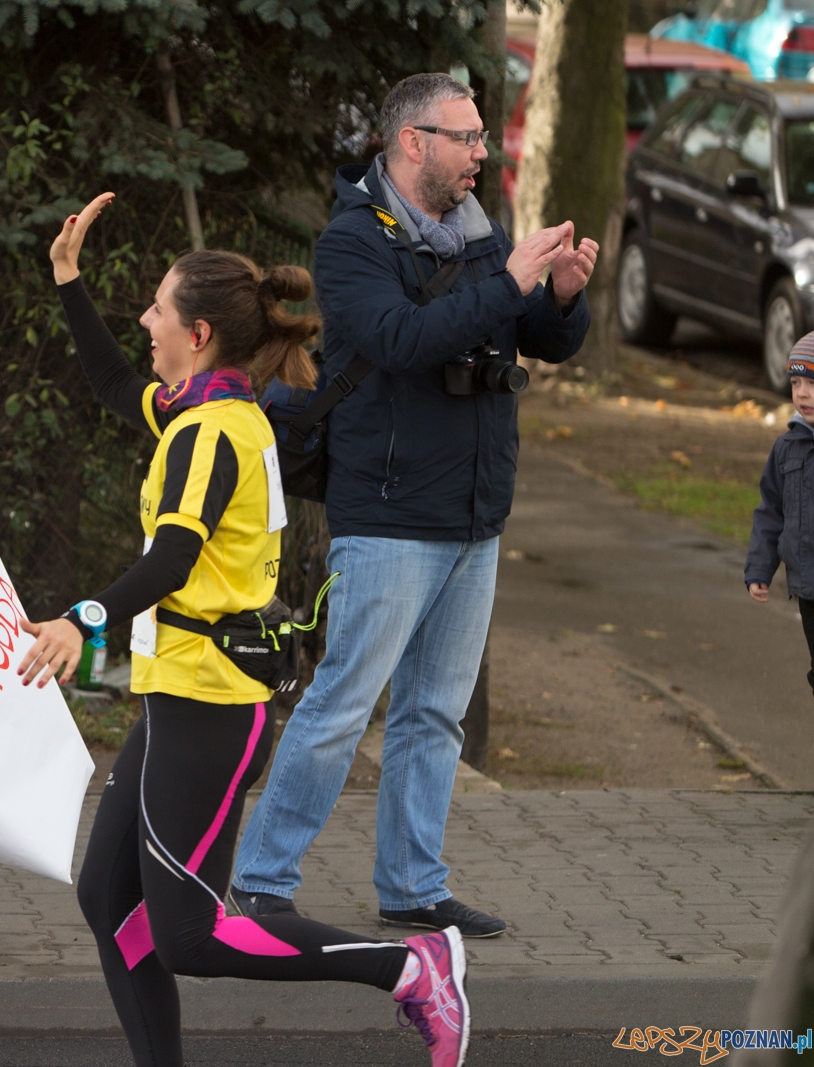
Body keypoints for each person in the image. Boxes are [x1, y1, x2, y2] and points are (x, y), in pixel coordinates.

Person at [17, 191, 472, 1067]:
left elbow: (172, 560)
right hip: (184, 695)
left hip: (212, 705)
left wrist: (83, 620)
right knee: (108, 899)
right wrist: (68, 279)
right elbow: (115, 386)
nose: (144, 321)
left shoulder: (210, 434)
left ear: (196, 334)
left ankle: (411, 968)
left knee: (188, 934)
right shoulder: (210, 408)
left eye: (157, 308)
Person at [229, 72, 597, 939]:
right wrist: (509, 282)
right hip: (390, 513)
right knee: (342, 703)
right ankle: (260, 877)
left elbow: (535, 339)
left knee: (434, 714)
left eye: (482, 139)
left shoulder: (477, 232)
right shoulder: (352, 241)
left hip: (475, 512)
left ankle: (412, 884)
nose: (481, 154)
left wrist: (560, 295)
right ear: (412, 142)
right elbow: (400, 339)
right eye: (466, 138)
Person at [746, 334, 814, 694]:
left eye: (812, 384)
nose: (802, 394)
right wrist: (760, 568)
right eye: (796, 383)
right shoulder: (787, 447)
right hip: (808, 587)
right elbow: (771, 511)